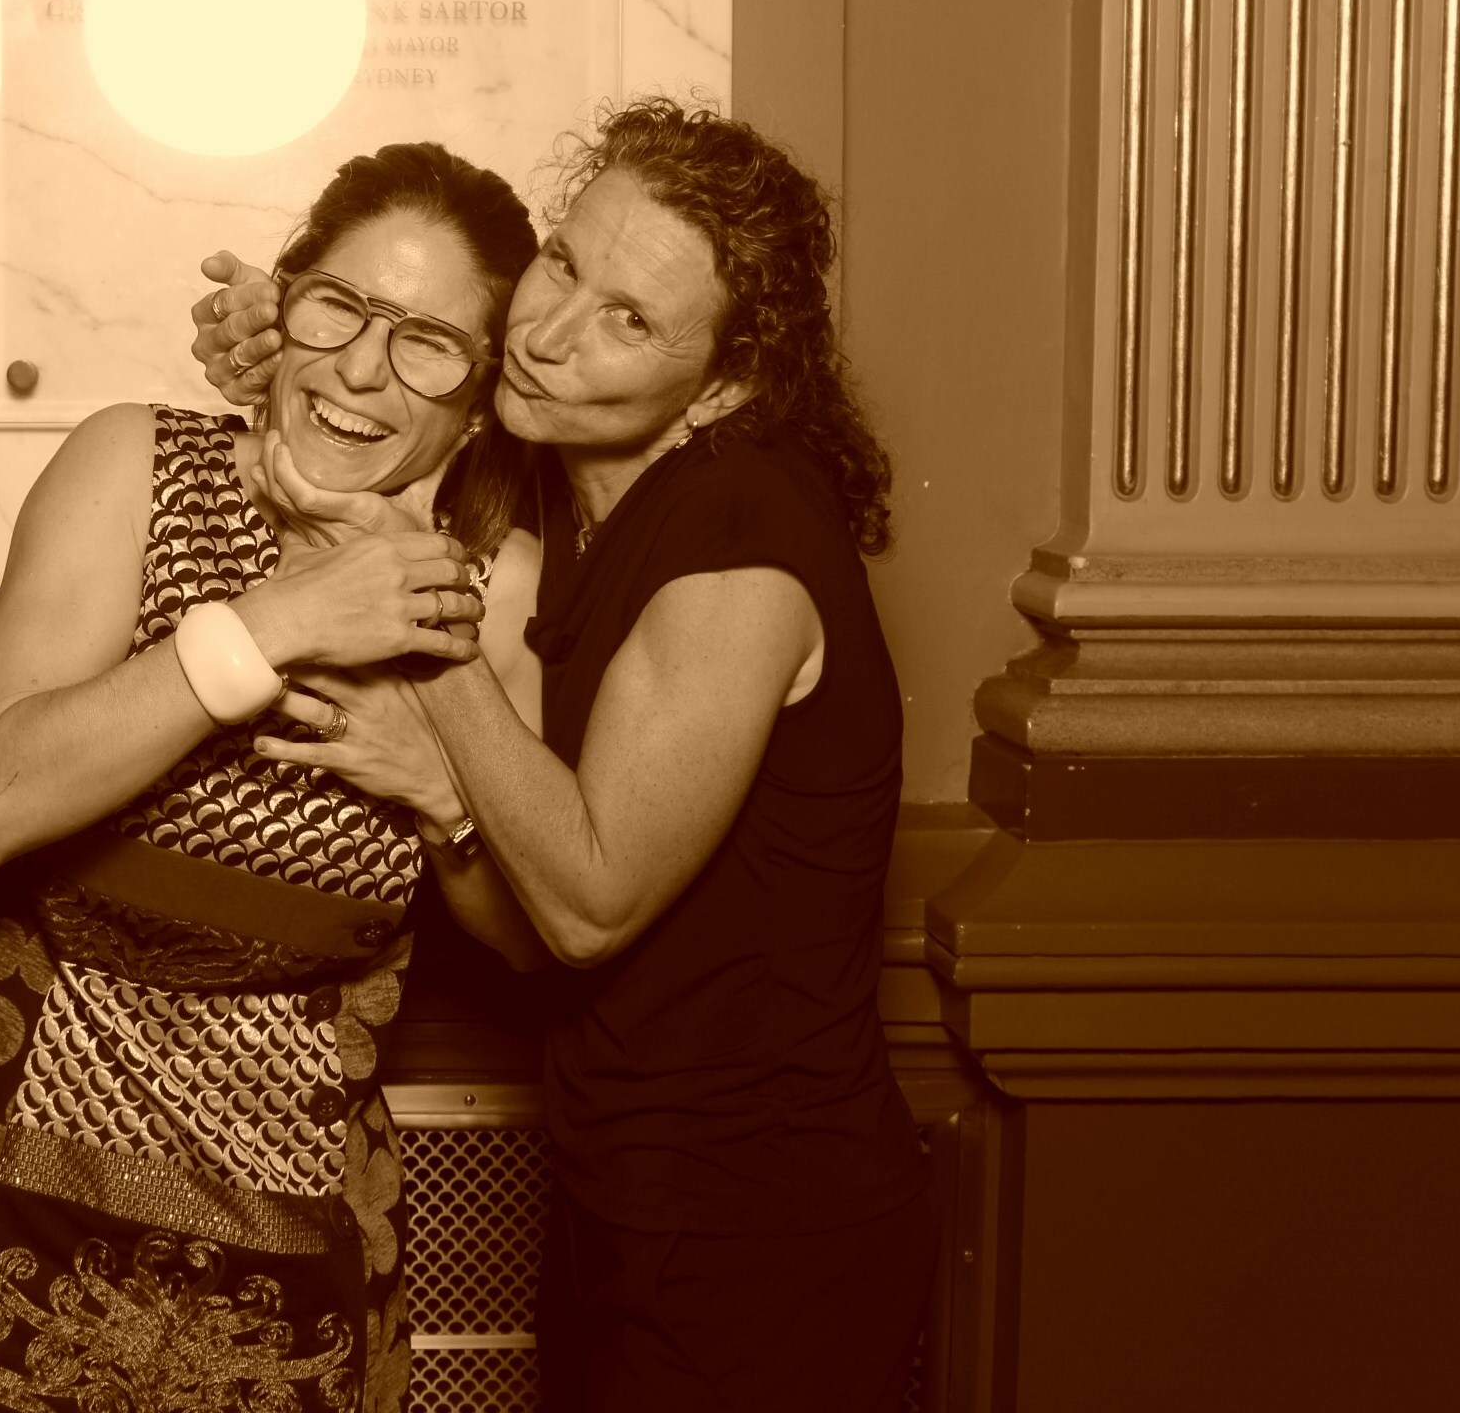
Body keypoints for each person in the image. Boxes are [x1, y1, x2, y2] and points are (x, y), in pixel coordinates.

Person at [190, 97, 933, 1413]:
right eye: (565, 263)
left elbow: (589, 905)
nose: (548, 333)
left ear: (724, 384)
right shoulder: (587, 478)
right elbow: (413, 378)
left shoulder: (741, 549)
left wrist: (415, 604)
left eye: (628, 321)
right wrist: (286, 339)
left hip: (764, 1236)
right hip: (624, 1197)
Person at [0, 142, 556, 1413]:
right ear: (283, 306)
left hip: (289, 1246)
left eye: (427, 342)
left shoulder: (496, 588)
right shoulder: (135, 468)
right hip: (3, 1207)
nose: (363, 368)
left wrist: (441, 794)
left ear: (476, 402)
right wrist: (279, 619)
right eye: (340, 307)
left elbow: (531, 939)